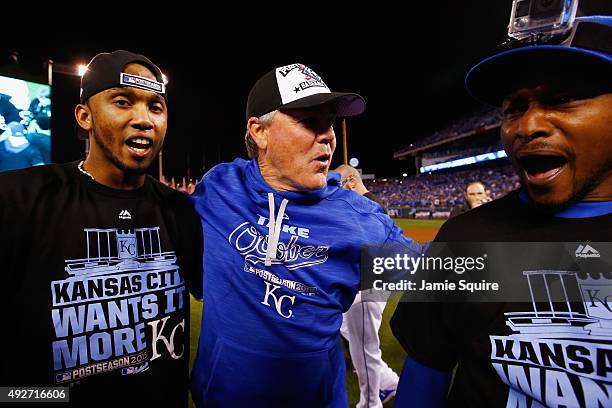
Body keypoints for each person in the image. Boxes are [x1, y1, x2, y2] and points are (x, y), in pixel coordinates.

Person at [390, 7, 612, 408]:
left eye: (562, 99)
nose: (528, 126)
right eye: (514, 107)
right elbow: (425, 372)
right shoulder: (464, 239)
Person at [189, 63, 422, 407]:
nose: (328, 136)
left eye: (329, 123)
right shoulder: (220, 188)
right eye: (310, 122)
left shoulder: (356, 219)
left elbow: (445, 270)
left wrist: (525, 261)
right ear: (259, 132)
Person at [0, 50, 202, 407]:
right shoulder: (20, 199)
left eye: (156, 107)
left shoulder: (180, 211)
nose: (144, 120)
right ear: (84, 117)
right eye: (123, 102)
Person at [335, 164, 400, 407]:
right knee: (351, 335)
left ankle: (371, 402)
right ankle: (390, 381)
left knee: (365, 349)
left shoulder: (368, 205)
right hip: (369, 284)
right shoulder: (370, 203)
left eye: (339, 185)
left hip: (368, 286)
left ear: (351, 181)